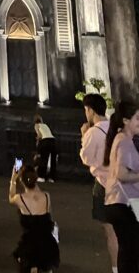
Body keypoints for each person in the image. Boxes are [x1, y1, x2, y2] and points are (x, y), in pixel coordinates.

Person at [80, 92, 118, 273]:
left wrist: (83, 135)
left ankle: (116, 267)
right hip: (123, 183)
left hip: (103, 183)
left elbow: (86, 158)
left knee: (111, 230)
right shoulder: (115, 128)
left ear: (90, 110)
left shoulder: (92, 133)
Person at [104, 100, 139, 273]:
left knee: (128, 249)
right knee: (130, 250)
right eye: (138, 118)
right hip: (124, 202)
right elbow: (122, 174)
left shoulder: (123, 139)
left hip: (120, 202)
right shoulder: (124, 141)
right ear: (126, 120)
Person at [9, 163, 60, 273]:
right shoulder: (46, 196)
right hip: (46, 242)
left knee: (29, 265)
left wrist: (13, 178)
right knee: (46, 266)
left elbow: (11, 197)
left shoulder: (20, 199)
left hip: (29, 244)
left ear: (22, 181)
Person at [34, 115, 58, 183]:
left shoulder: (36, 125)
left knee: (43, 159)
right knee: (53, 161)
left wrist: (37, 141)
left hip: (45, 141)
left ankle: (41, 177)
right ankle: (51, 178)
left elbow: (40, 135)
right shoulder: (45, 125)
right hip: (53, 141)